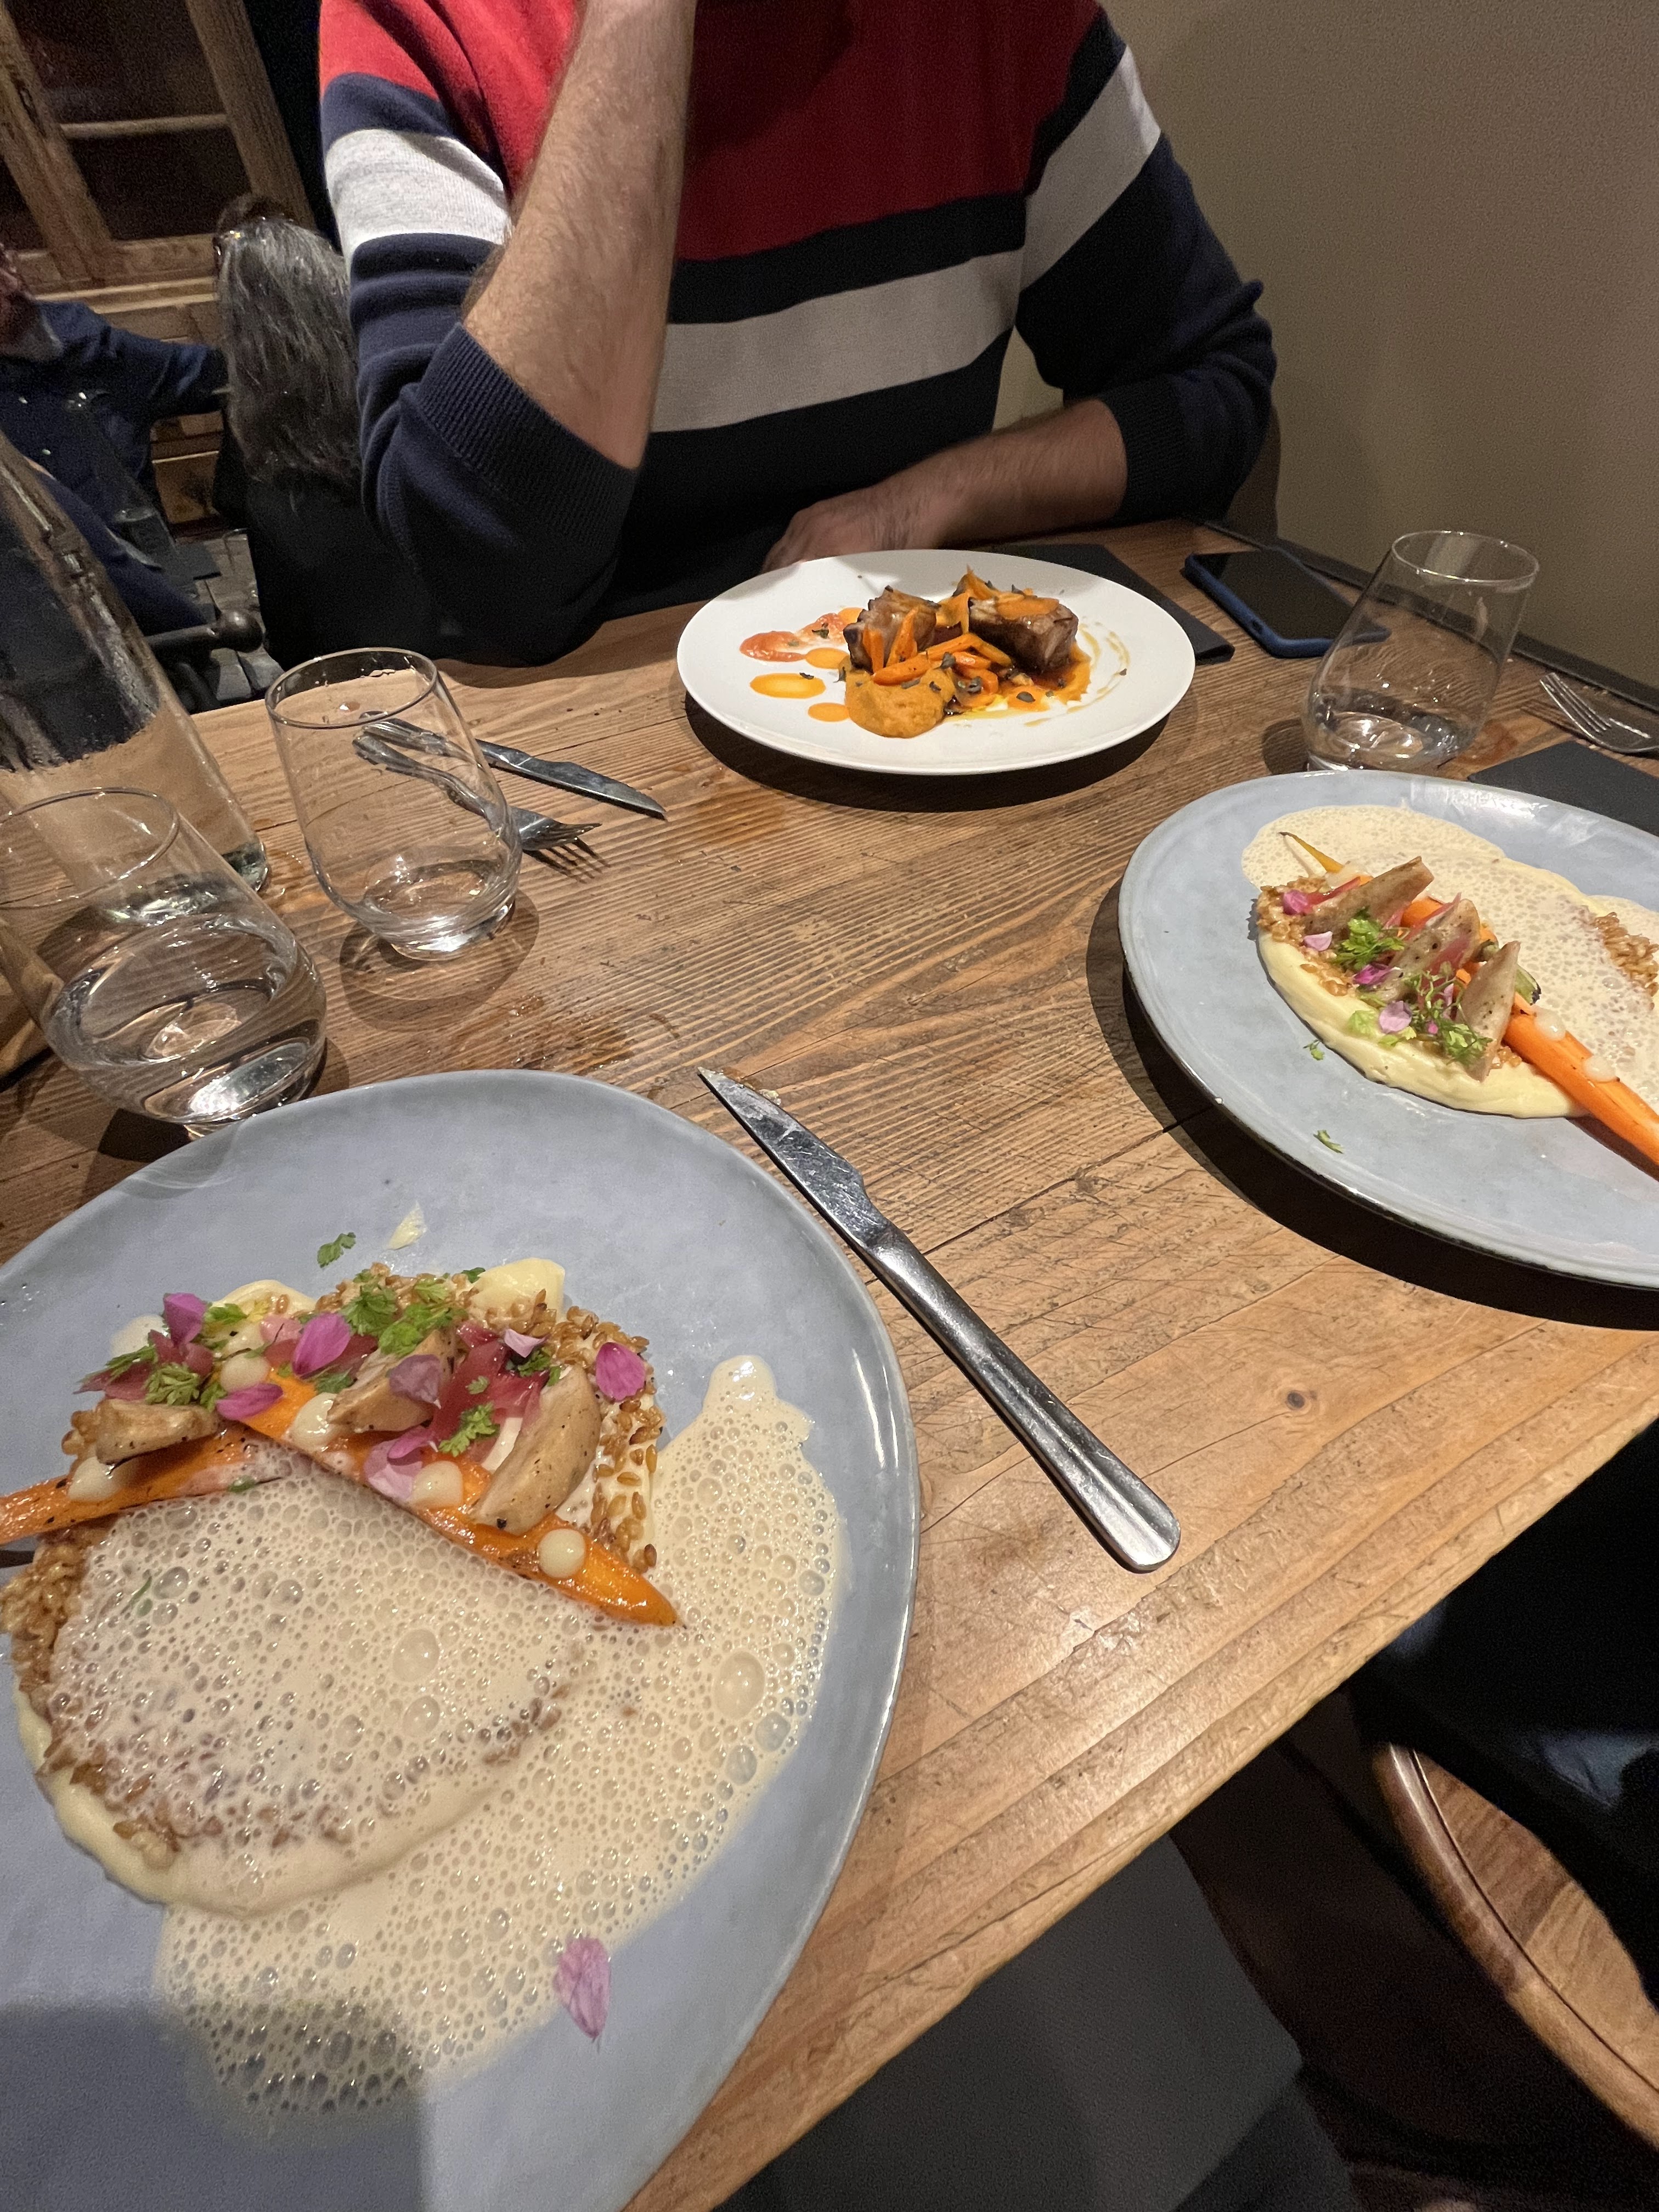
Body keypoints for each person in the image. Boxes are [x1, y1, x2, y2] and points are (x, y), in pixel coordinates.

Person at [318, 0, 1274, 664]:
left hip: (914, 714)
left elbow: (1208, 390)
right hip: (580, 758)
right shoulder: (422, 22)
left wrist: (919, 504)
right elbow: (489, 573)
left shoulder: (1009, 24)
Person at [211, 201, 487, 666]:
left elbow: (291, 643)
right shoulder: (411, 394)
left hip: (370, 676)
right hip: (481, 648)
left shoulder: (268, 470)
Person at [0, 244, 225, 528]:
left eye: (2, 260)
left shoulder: (92, 348)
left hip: (137, 549)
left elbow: (221, 376)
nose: (12, 284)